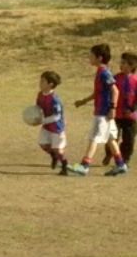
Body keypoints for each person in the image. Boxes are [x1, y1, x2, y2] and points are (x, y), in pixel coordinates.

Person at [68, 44, 127, 176]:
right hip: (104, 112)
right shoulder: (101, 71)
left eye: (91, 55)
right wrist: (84, 101)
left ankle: (84, 166)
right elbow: (98, 92)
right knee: (111, 138)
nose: (89, 57)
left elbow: (115, 91)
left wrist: (112, 108)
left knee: (94, 137)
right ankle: (120, 164)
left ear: (99, 58)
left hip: (103, 113)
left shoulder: (104, 73)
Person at [103, 52, 137, 165]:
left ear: (132, 66)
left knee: (129, 139)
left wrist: (133, 109)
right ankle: (109, 153)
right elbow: (108, 93)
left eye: (124, 63)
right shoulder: (116, 78)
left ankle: (125, 158)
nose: (121, 65)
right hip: (116, 114)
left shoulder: (135, 81)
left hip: (130, 117)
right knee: (113, 136)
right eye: (121, 62)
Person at [35, 71, 68, 175]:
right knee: (43, 144)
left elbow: (56, 116)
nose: (40, 83)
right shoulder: (40, 95)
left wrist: (42, 120)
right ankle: (54, 156)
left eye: (43, 81)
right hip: (46, 126)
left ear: (51, 84)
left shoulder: (55, 99)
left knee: (57, 150)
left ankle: (64, 165)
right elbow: (38, 108)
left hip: (56, 128)